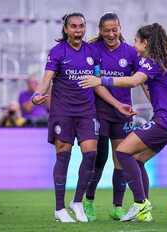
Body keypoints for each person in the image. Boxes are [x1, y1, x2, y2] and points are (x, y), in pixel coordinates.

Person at [31, 13, 133, 223]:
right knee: (63, 155)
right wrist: (38, 95)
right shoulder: (57, 52)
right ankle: (59, 208)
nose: (78, 30)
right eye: (74, 26)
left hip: (87, 112)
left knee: (90, 154)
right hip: (63, 112)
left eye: (81, 26)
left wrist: (117, 104)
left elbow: (97, 83)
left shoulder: (92, 51)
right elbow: (47, 80)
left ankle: (77, 202)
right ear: (66, 29)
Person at [79, 23, 167, 222]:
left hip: (166, 121)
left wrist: (101, 80)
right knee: (138, 159)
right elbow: (148, 85)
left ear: (146, 42)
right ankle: (144, 211)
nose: (134, 44)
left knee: (122, 151)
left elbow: (133, 81)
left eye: (137, 41)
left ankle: (140, 203)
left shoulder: (152, 61)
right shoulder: (165, 60)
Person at [83, 12, 139, 221]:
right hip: (99, 112)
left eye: (114, 29)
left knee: (121, 159)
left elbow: (140, 79)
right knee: (99, 158)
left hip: (123, 115)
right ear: (100, 31)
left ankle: (117, 206)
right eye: (106, 30)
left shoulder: (131, 53)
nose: (111, 34)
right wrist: (117, 104)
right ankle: (88, 201)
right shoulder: (93, 49)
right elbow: (95, 83)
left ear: (120, 28)